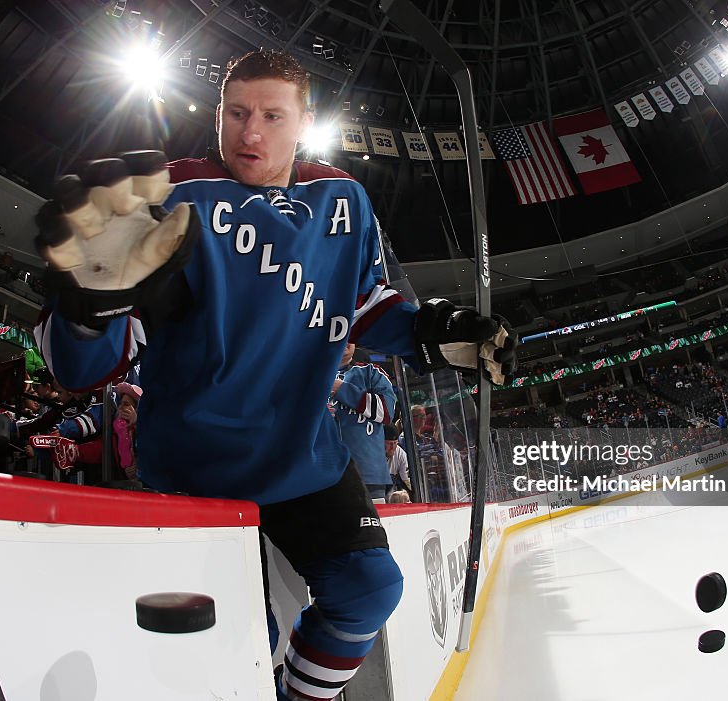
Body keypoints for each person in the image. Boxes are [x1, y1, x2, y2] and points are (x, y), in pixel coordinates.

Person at [32, 49, 516, 701]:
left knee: (371, 589)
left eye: (270, 115)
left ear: (303, 121)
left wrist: (434, 331)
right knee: (239, 635)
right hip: (194, 461)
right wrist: (86, 312)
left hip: (301, 455)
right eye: (235, 113)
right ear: (217, 113)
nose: (249, 132)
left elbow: (367, 300)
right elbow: (81, 368)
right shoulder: (171, 197)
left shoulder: (341, 199)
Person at [331, 343, 396, 501]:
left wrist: (342, 389)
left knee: (371, 525)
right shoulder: (312, 376)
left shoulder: (372, 373)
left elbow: (386, 412)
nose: (347, 340)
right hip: (324, 477)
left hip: (368, 477)